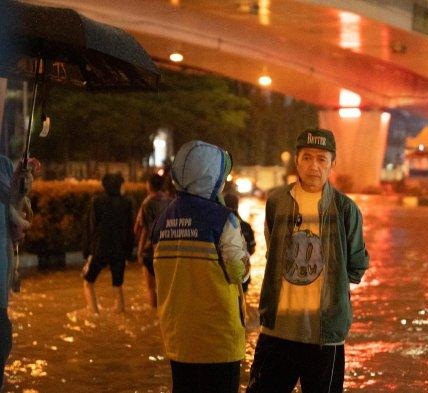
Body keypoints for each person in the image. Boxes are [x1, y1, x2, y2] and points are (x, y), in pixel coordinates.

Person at [247, 128, 370, 393]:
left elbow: (357, 265)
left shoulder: (346, 209)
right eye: (307, 157)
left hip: (324, 336)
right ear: (296, 161)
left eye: (321, 159)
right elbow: (274, 251)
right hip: (278, 329)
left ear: (332, 164)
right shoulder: (277, 202)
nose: (314, 165)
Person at [151, 140, 250, 393]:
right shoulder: (222, 219)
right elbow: (238, 271)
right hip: (217, 340)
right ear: (211, 178)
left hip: (178, 338)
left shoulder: (163, 220)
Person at [0, 156, 38, 389]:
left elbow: (11, 216)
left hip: (2, 276)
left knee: (3, 336)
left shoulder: (4, 165)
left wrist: (20, 188)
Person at [82, 173, 134, 314]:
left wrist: (87, 253)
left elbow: (90, 228)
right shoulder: (126, 202)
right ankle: (122, 313)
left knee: (88, 282)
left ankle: (94, 313)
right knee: (118, 285)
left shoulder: (97, 201)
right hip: (119, 251)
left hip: (100, 249)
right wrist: (128, 254)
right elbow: (129, 230)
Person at [134, 173, 171, 308]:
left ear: (149, 185)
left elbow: (143, 229)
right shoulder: (169, 201)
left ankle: (154, 313)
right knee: (165, 286)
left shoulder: (147, 202)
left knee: (151, 288)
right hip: (168, 248)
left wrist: (139, 251)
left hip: (150, 250)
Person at [224, 193, 256, 292]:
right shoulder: (246, 226)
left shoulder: (221, 226)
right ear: (237, 205)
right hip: (243, 274)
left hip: (225, 277)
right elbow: (252, 249)